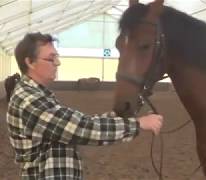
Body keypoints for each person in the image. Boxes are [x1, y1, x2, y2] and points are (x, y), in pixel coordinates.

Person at [5, 32, 163, 180]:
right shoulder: (29, 100)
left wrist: (127, 111)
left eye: (57, 57)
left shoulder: (38, 96)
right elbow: (81, 129)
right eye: (51, 58)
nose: (58, 63)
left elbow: (81, 123)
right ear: (30, 62)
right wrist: (139, 124)